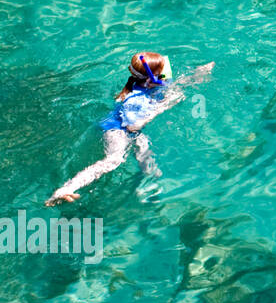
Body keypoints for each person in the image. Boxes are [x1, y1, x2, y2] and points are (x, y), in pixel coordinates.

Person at [45, 53, 214, 206]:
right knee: (114, 160)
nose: (165, 75)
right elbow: (133, 125)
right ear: (150, 79)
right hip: (116, 130)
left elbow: (170, 87)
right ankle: (67, 188)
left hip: (131, 132)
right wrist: (163, 107)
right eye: (161, 73)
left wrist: (196, 75)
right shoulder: (136, 99)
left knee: (151, 169)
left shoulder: (144, 84)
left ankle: (144, 188)